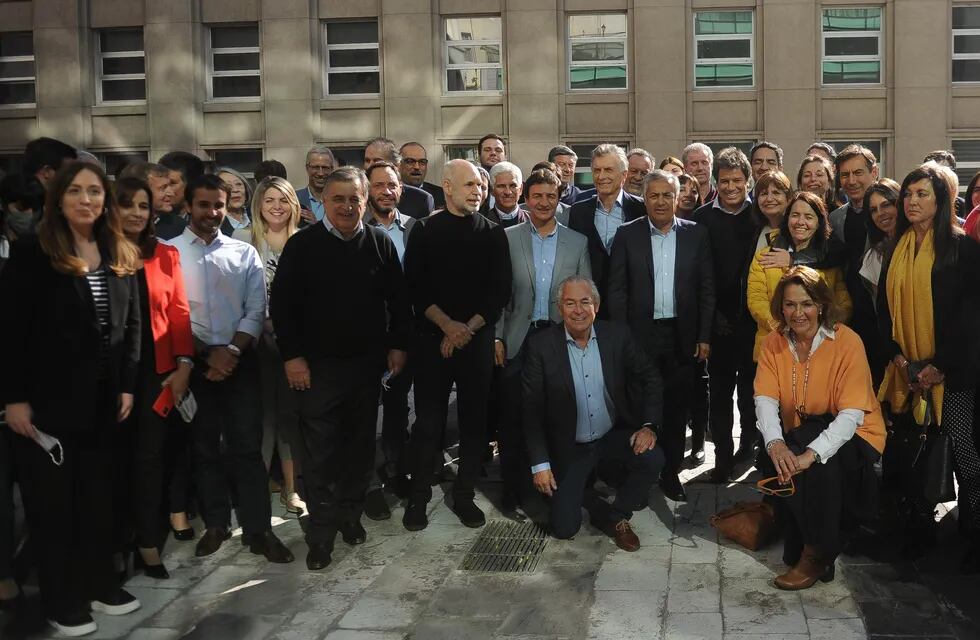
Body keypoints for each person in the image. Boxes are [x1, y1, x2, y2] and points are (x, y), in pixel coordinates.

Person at [1, 161, 143, 636]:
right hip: (47, 404)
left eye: (95, 191)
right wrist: (15, 399)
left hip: (105, 401)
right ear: (58, 199)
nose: (87, 200)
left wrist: (126, 385)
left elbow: (133, 325)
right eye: (76, 191)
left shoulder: (117, 248)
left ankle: (100, 583)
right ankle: (63, 600)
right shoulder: (32, 254)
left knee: (98, 500)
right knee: (54, 507)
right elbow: (12, 333)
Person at [270, 166, 411, 570]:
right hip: (317, 371)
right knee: (320, 456)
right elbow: (282, 307)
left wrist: (398, 345)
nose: (348, 206)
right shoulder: (303, 246)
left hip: (366, 368)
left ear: (365, 202)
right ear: (324, 202)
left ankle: (350, 517)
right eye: (339, 199)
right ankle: (321, 535)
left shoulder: (380, 243)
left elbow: (398, 301)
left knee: (359, 448)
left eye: (355, 199)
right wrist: (293, 357)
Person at [165, 174, 293, 564]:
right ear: (188, 206)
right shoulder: (168, 253)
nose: (212, 212)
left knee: (247, 448)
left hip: (241, 363)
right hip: (194, 364)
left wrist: (232, 352)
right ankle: (217, 524)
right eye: (203, 205)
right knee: (205, 448)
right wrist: (207, 354)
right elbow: (171, 314)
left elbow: (256, 309)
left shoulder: (243, 252)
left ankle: (259, 530)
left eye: (219, 205)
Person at [876, 163, 980, 572]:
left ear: (940, 201)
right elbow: (884, 311)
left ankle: (973, 536)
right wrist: (901, 359)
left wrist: (939, 367)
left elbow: (971, 319)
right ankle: (917, 532)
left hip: (954, 377)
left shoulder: (963, 249)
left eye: (923, 194)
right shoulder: (896, 247)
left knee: (966, 458)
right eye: (909, 194)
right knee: (914, 454)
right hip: (907, 374)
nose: (913, 201)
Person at [755, 266, 885, 590]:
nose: (798, 313)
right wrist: (775, 444)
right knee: (777, 455)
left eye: (807, 303)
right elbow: (765, 400)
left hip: (857, 432)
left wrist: (811, 455)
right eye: (790, 304)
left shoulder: (847, 341)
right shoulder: (773, 342)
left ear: (822, 305)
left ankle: (817, 552)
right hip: (803, 428)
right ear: (780, 307)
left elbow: (851, 414)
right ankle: (808, 546)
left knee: (818, 465)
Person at [402, 159, 511, 531]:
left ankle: (464, 496)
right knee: (429, 424)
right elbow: (415, 289)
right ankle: (418, 498)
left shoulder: (494, 233)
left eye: (481, 186)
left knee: (474, 424)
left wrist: (466, 329)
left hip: (476, 341)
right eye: (469, 186)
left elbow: (499, 292)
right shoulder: (424, 230)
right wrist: (448, 326)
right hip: (433, 341)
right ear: (447, 187)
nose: (477, 192)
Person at [523, 275, 665, 551]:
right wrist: (540, 465)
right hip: (569, 447)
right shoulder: (541, 346)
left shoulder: (617, 336)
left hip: (610, 436)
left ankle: (617, 515)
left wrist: (649, 425)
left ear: (596, 306)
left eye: (585, 302)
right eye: (570, 303)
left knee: (653, 458)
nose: (578, 310)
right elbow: (531, 410)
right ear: (559, 308)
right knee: (564, 529)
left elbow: (651, 377)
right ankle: (590, 499)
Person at [608, 170, 715, 502]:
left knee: (675, 409)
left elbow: (706, 290)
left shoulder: (696, 234)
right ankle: (638, 476)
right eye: (652, 195)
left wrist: (704, 335)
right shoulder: (627, 234)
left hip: (681, 337)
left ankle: (670, 475)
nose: (659, 201)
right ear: (644, 198)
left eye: (666, 195)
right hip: (639, 336)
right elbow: (617, 291)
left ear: (677, 197)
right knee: (638, 407)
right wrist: (620, 338)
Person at [110, 176, 195, 580]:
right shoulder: (97, 254)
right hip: (107, 374)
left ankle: (146, 540)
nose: (136, 213)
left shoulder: (165, 255)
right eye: (127, 205)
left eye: (143, 206)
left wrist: (183, 366)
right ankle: (111, 542)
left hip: (156, 373)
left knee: (149, 460)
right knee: (110, 463)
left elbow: (179, 313)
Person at [494, 168, 591, 514]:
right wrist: (496, 337)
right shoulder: (507, 237)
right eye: (537, 196)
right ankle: (512, 488)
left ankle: (552, 488)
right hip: (518, 338)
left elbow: (585, 296)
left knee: (556, 417)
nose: (544, 202)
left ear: (559, 197)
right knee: (513, 417)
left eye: (551, 195)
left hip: (557, 340)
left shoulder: (577, 242)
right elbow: (499, 293)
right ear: (526, 198)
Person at [236, 177, 305, 515]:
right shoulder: (242, 240)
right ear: (258, 205)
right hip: (254, 343)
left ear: (293, 204)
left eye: (283, 199)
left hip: (296, 343)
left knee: (290, 417)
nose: (276, 206)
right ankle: (258, 490)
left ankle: (292, 490)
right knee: (262, 419)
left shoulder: (306, 240)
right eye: (269, 200)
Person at [691, 147, 759, 479]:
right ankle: (722, 457)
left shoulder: (760, 216)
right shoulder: (701, 218)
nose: (731, 187)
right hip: (715, 321)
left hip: (753, 321)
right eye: (724, 181)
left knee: (751, 393)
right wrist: (712, 316)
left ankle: (748, 444)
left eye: (737, 180)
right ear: (716, 182)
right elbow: (697, 275)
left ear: (748, 181)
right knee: (719, 395)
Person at [364, 162, 419, 516]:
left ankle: (399, 469)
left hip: (406, 333)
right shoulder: (357, 227)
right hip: (366, 337)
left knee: (400, 409)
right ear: (368, 188)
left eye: (392, 185)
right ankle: (368, 483)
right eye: (379, 185)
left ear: (401, 189)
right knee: (366, 414)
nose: (386, 191)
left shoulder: (415, 228)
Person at [748, 191, 852, 360]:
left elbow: (843, 303)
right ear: (787, 219)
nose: (801, 222)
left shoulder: (829, 262)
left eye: (809, 217)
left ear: (819, 223)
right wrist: (785, 328)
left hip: (822, 349)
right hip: (774, 348)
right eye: (795, 215)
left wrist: (820, 328)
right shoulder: (765, 256)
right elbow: (756, 300)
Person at [828, 145, 883, 383]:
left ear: (874, 172)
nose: (851, 180)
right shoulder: (835, 218)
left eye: (858, 173)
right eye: (844, 175)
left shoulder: (892, 213)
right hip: (849, 316)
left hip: (883, 314)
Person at [568, 144, 645, 312]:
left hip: (633, 306)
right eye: (597, 170)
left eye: (608, 170)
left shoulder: (642, 209)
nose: (601, 176)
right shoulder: (578, 211)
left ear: (624, 175)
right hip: (591, 307)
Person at [363, 138, 434, 219]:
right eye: (367, 160)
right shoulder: (356, 194)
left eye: (377, 161)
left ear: (396, 165)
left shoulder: (421, 200)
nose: (369, 166)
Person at [858, 178, 900, 301]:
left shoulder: (922, 241)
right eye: (873, 210)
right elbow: (883, 306)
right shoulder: (874, 257)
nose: (880, 213)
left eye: (886, 205)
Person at [296, 144, 336, 225]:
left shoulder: (339, 201)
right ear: (307, 168)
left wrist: (317, 226)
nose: (321, 173)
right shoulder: (294, 199)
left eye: (325, 168)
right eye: (316, 167)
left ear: (332, 169)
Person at [399, 142, 445, 209]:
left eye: (422, 162)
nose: (417, 167)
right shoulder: (390, 195)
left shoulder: (442, 195)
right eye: (410, 161)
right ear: (398, 165)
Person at [486, 161, 524, 228]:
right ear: (492, 190)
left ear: (520, 189)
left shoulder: (534, 221)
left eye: (513, 186)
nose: (508, 192)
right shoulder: (482, 223)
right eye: (501, 186)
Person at [216, 167, 252, 235]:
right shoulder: (214, 227)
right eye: (227, 186)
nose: (235, 190)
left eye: (238, 184)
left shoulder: (258, 216)